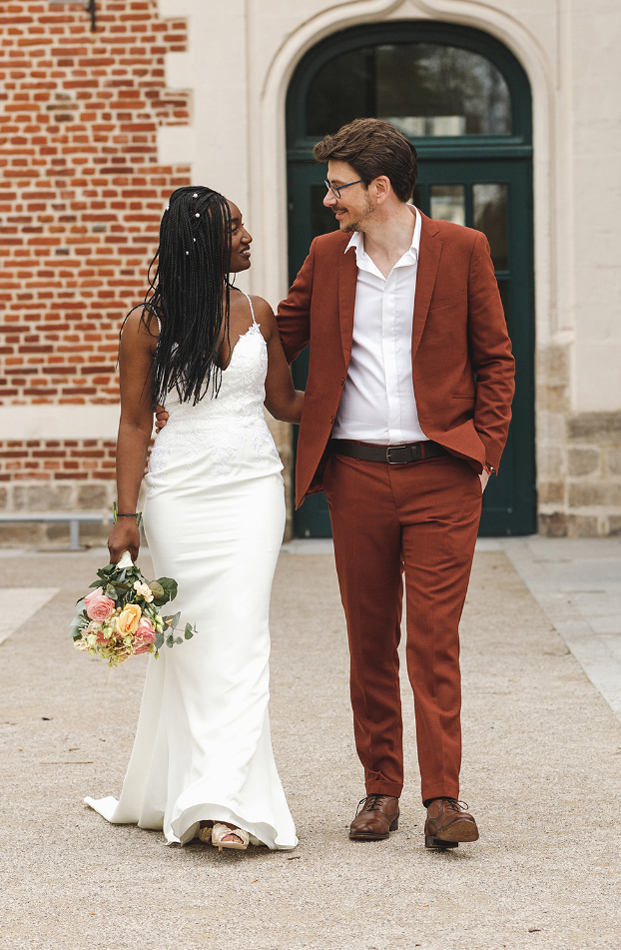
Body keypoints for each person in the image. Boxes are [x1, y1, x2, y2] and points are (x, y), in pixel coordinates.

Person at [276, 119, 515, 848]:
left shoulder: (461, 249)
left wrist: (484, 454)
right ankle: (380, 789)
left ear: (379, 188)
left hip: (440, 473)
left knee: (433, 641)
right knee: (369, 639)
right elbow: (272, 339)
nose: (327, 200)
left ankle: (443, 799)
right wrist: (185, 342)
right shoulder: (326, 256)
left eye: (338, 186)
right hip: (353, 475)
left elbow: (495, 359)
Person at [85, 185, 302, 852]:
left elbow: (287, 404)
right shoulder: (146, 324)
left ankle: (223, 803)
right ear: (201, 240)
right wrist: (126, 514)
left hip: (252, 492)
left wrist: (373, 388)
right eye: (234, 228)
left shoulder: (259, 312)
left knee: (241, 637)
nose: (247, 237)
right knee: (193, 642)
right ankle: (198, 793)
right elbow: (131, 422)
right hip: (179, 495)